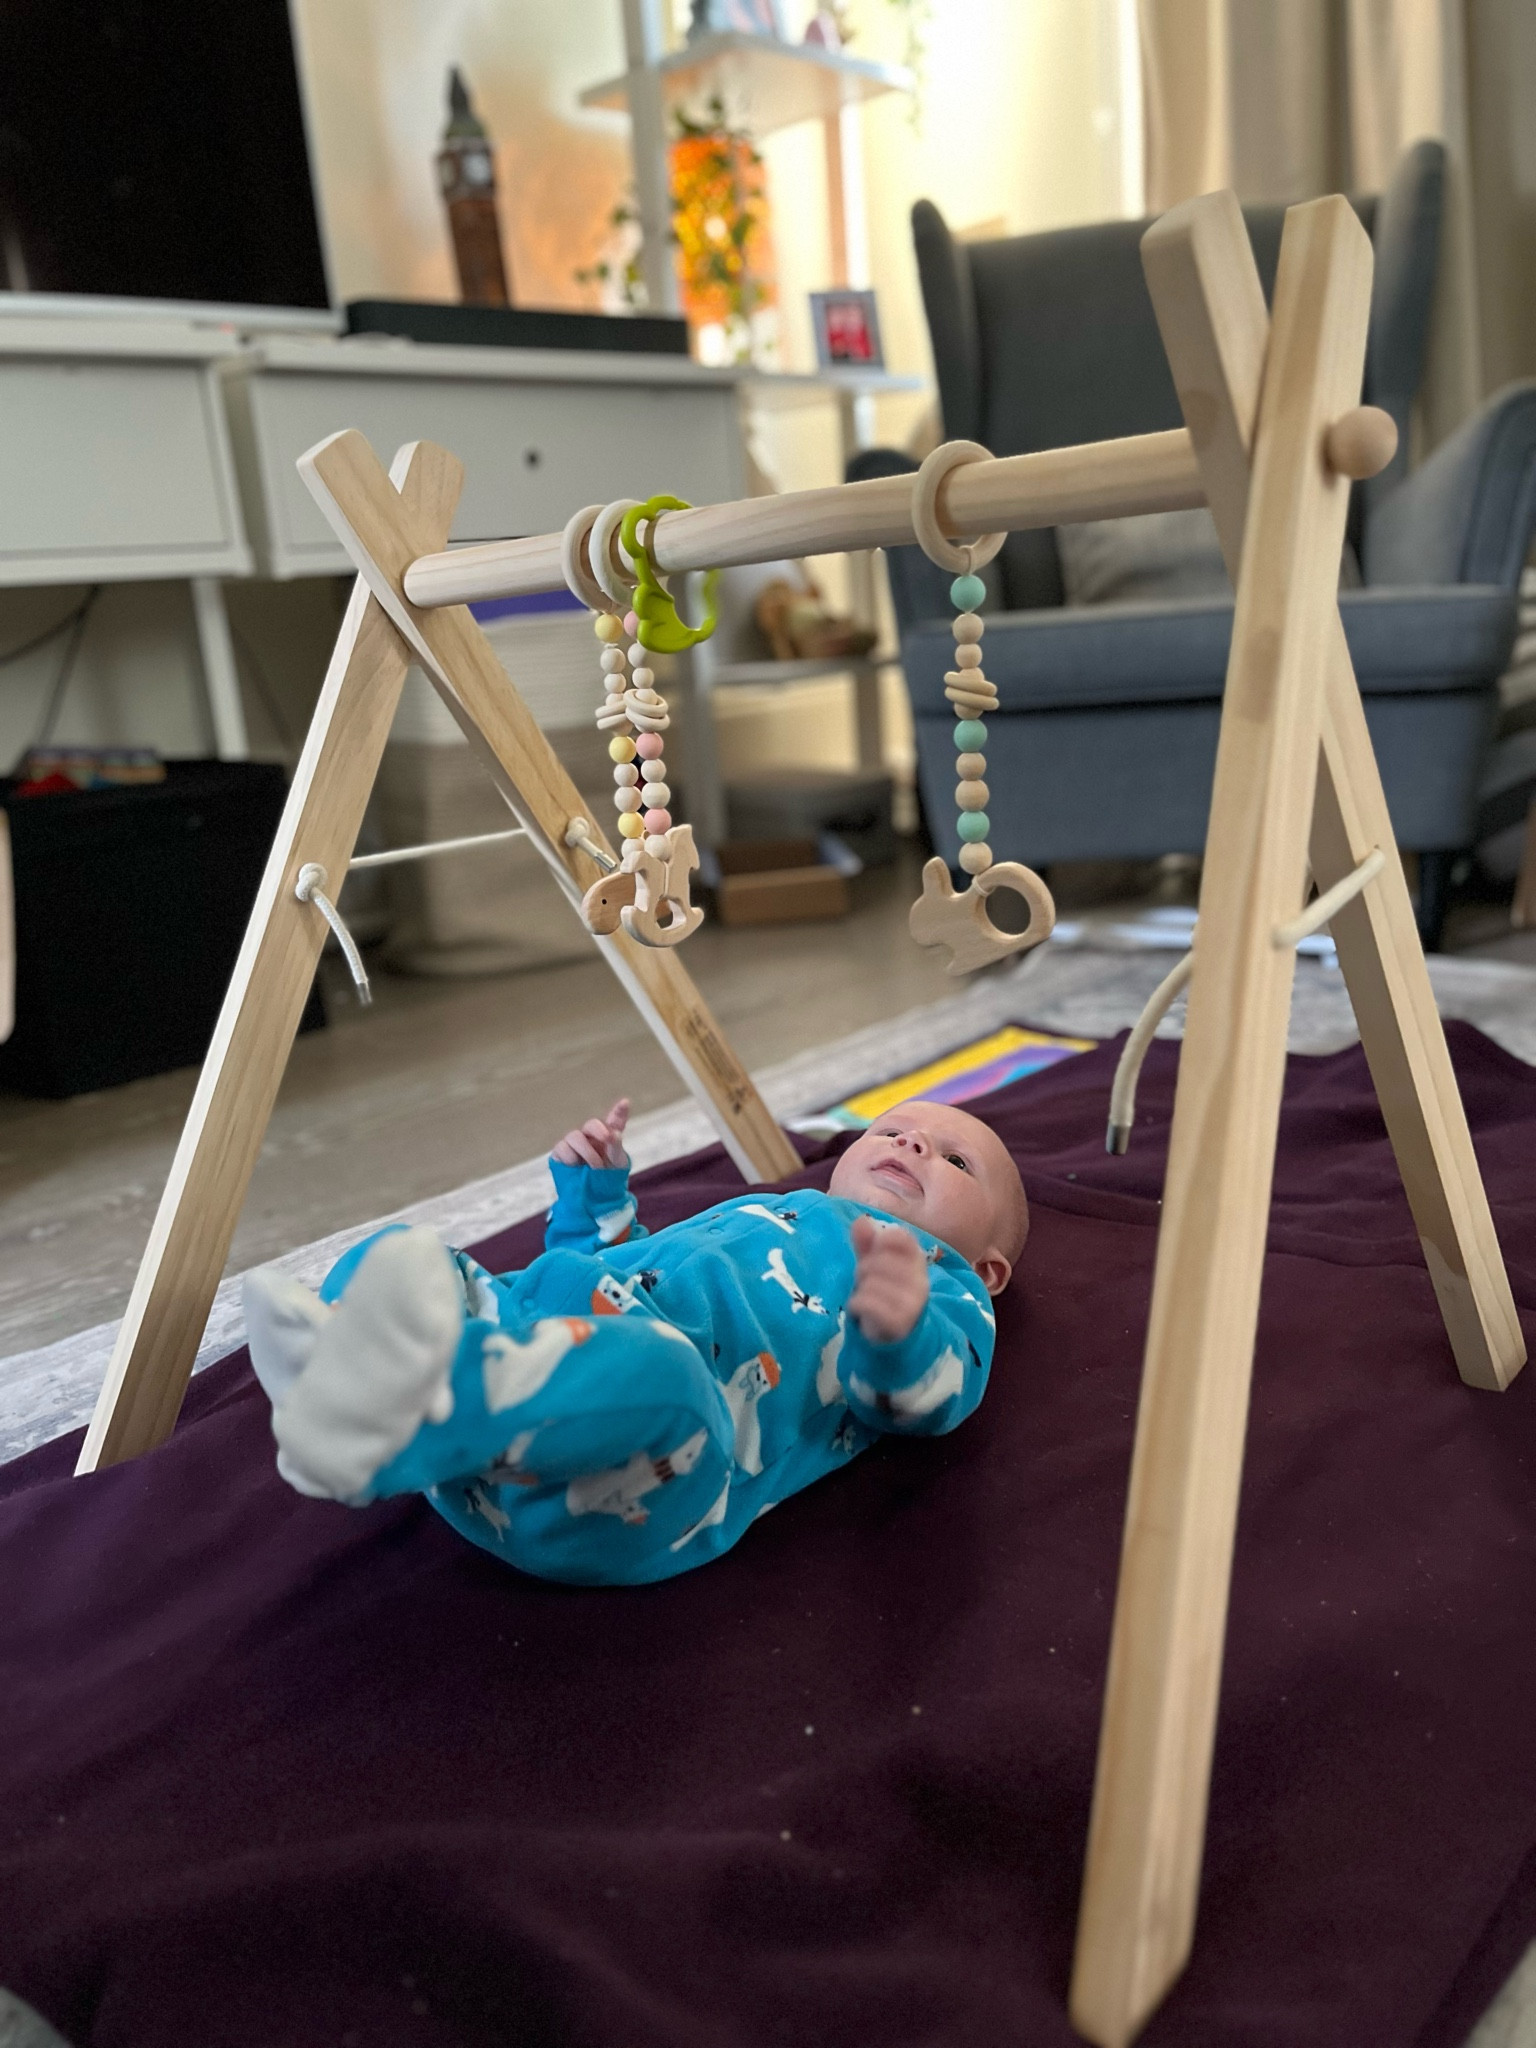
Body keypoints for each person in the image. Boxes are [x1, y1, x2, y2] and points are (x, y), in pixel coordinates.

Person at [244, 1097, 1028, 1586]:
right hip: (530, 1399)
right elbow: (627, 1271)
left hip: (632, 1487)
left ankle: (398, 1422)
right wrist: (595, 1201)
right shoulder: (774, 1208)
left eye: (956, 1160)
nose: (914, 1145)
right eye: (893, 1129)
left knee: (661, 1372)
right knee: (412, 1258)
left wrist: (895, 1331)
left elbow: (923, 1400)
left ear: (991, 1267)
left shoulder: (944, 1284)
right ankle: (343, 1372)